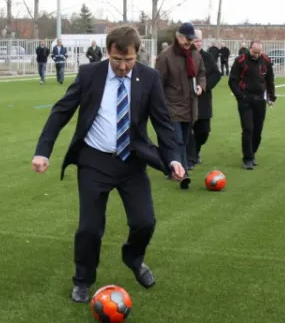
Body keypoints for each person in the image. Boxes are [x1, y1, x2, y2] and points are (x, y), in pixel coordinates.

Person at [31, 25, 186, 303]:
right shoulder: (90, 74)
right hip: (94, 161)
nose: (123, 66)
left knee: (145, 222)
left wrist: (174, 158)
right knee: (89, 228)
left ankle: (133, 257)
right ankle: (83, 279)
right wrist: (43, 151)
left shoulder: (149, 78)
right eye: (117, 59)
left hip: (132, 162)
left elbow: (163, 123)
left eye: (129, 60)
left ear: (137, 54)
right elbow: (61, 111)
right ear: (107, 52)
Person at [154, 22, 206, 188]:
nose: (189, 42)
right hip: (172, 106)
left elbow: (201, 74)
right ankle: (183, 175)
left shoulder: (196, 55)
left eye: (191, 39)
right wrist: (160, 106)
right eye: (187, 39)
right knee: (177, 141)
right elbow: (157, 82)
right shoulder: (166, 56)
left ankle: (171, 167)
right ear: (178, 36)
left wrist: (201, 86)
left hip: (191, 106)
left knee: (184, 140)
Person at [228, 40, 276, 170]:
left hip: (260, 100)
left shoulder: (266, 60)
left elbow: (270, 80)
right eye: (255, 52)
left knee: (258, 131)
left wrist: (271, 97)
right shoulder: (240, 60)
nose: (257, 55)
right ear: (250, 49)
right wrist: (240, 96)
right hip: (245, 100)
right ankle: (247, 158)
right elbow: (232, 81)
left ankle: (252, 153)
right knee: (248, 129)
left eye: (259, 52)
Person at [186, 29, 221, 169]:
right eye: (196, 41)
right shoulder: (185, 57)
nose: (198, 43)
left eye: (200, 41)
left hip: (203, 99)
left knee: (204, 131)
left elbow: (216, 74)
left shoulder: (208, 57)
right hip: (187, 100)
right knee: (187, 130)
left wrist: (204, 86)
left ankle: (195, 151)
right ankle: (190, 158)